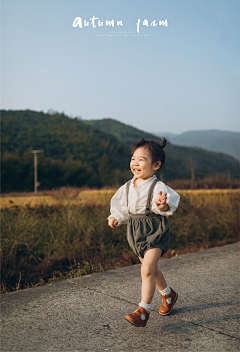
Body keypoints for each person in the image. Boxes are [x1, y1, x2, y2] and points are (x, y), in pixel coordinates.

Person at [108, 138, 180, 327]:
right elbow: (122, 207)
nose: (135, 163)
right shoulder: (127, 187)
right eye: (133, 159)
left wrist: (163, 205)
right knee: (152, 269)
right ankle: (168, 294)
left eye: (141, 159)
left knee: (146, 269)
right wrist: (115, 217)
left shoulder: (158, 187)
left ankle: (143, 311)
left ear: (156, 165)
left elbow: (168, 203)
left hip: (155, 229)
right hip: (135, 232)